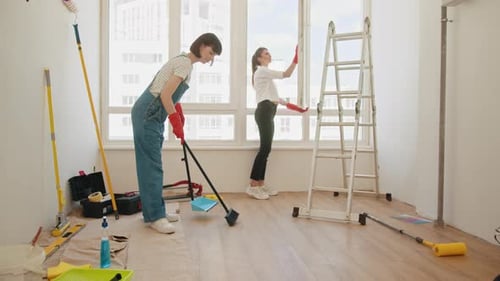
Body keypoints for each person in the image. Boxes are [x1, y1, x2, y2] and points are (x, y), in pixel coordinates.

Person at [131, 33, 222, 233]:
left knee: (149, 165)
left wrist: (177, 113)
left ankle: (154, 213)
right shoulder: (185, 64)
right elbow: (164, 94)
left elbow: (170, 94)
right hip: (149, 113)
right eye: (211, 52)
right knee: (152, 166)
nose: (210, 58)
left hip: (150, 113)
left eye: (214, 56)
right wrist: (174, 121)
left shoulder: (182, 61)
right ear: (202, 45)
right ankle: (155, 217)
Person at [247, 46, 308, 200]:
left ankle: (260, 184)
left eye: (269, 51)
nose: (269, 54)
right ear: (259, 58)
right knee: (264, 149)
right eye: (266, 53)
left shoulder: (265, 78)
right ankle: (253, 186)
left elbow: (278, 100)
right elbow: (286, 74)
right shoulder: (261, 70)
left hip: (268, 111)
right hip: (264, 111)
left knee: (266, 150)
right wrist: (296, 58)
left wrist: (297, 109)